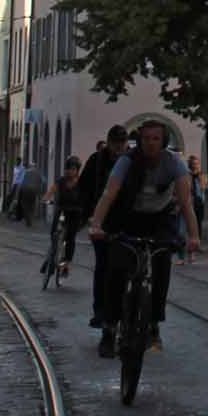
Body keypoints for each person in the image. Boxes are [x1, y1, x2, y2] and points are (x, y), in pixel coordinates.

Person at [86, 121, 199, 359]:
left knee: (161, 264)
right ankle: (109, 328)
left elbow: (186, 201)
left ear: (164, 142)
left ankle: (154, 323)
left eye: (156, 139)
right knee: (116, 268)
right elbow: (109, 193)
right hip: (126, 215)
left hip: (160, 218)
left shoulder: (174, 163)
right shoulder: (127, 161)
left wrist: (193, 236)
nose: (150, 143)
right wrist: (96, 225)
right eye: (146, 138)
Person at [76, 125, 129, 330]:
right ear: (109, 142)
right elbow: (84, 189)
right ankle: (100, 311)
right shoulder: (96, 161)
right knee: (103, 266)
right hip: (101, 221)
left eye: (122, 143)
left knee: (125, 267)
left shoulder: (130, 161)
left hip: (124, 221)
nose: (118, 147)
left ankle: (125, 308)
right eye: (115, 143)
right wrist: (90, 215)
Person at [180, 153, 206, 264]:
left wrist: (199, 176)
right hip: (189, 204)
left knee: (197, 226)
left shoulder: (201, 175)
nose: (196, 165)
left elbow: (203, 188)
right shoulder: (187, 175)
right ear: (190, 165)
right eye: (194, 164)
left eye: (197, 163)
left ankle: (193, 250)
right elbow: (186, 189)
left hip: (199, 204)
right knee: (183, 230)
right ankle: (184, 255)